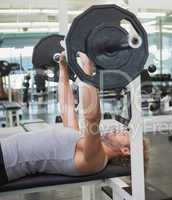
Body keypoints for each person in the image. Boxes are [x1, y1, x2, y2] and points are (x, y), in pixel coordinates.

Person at [0, 52, 148, 185]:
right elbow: (66, 107)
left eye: (126, 134)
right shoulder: (79, 141)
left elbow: (92, 117)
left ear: (125, 150)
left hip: (4, 161)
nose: (120, 129)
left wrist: (87, 67)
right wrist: (63, 67)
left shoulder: (96, 160)